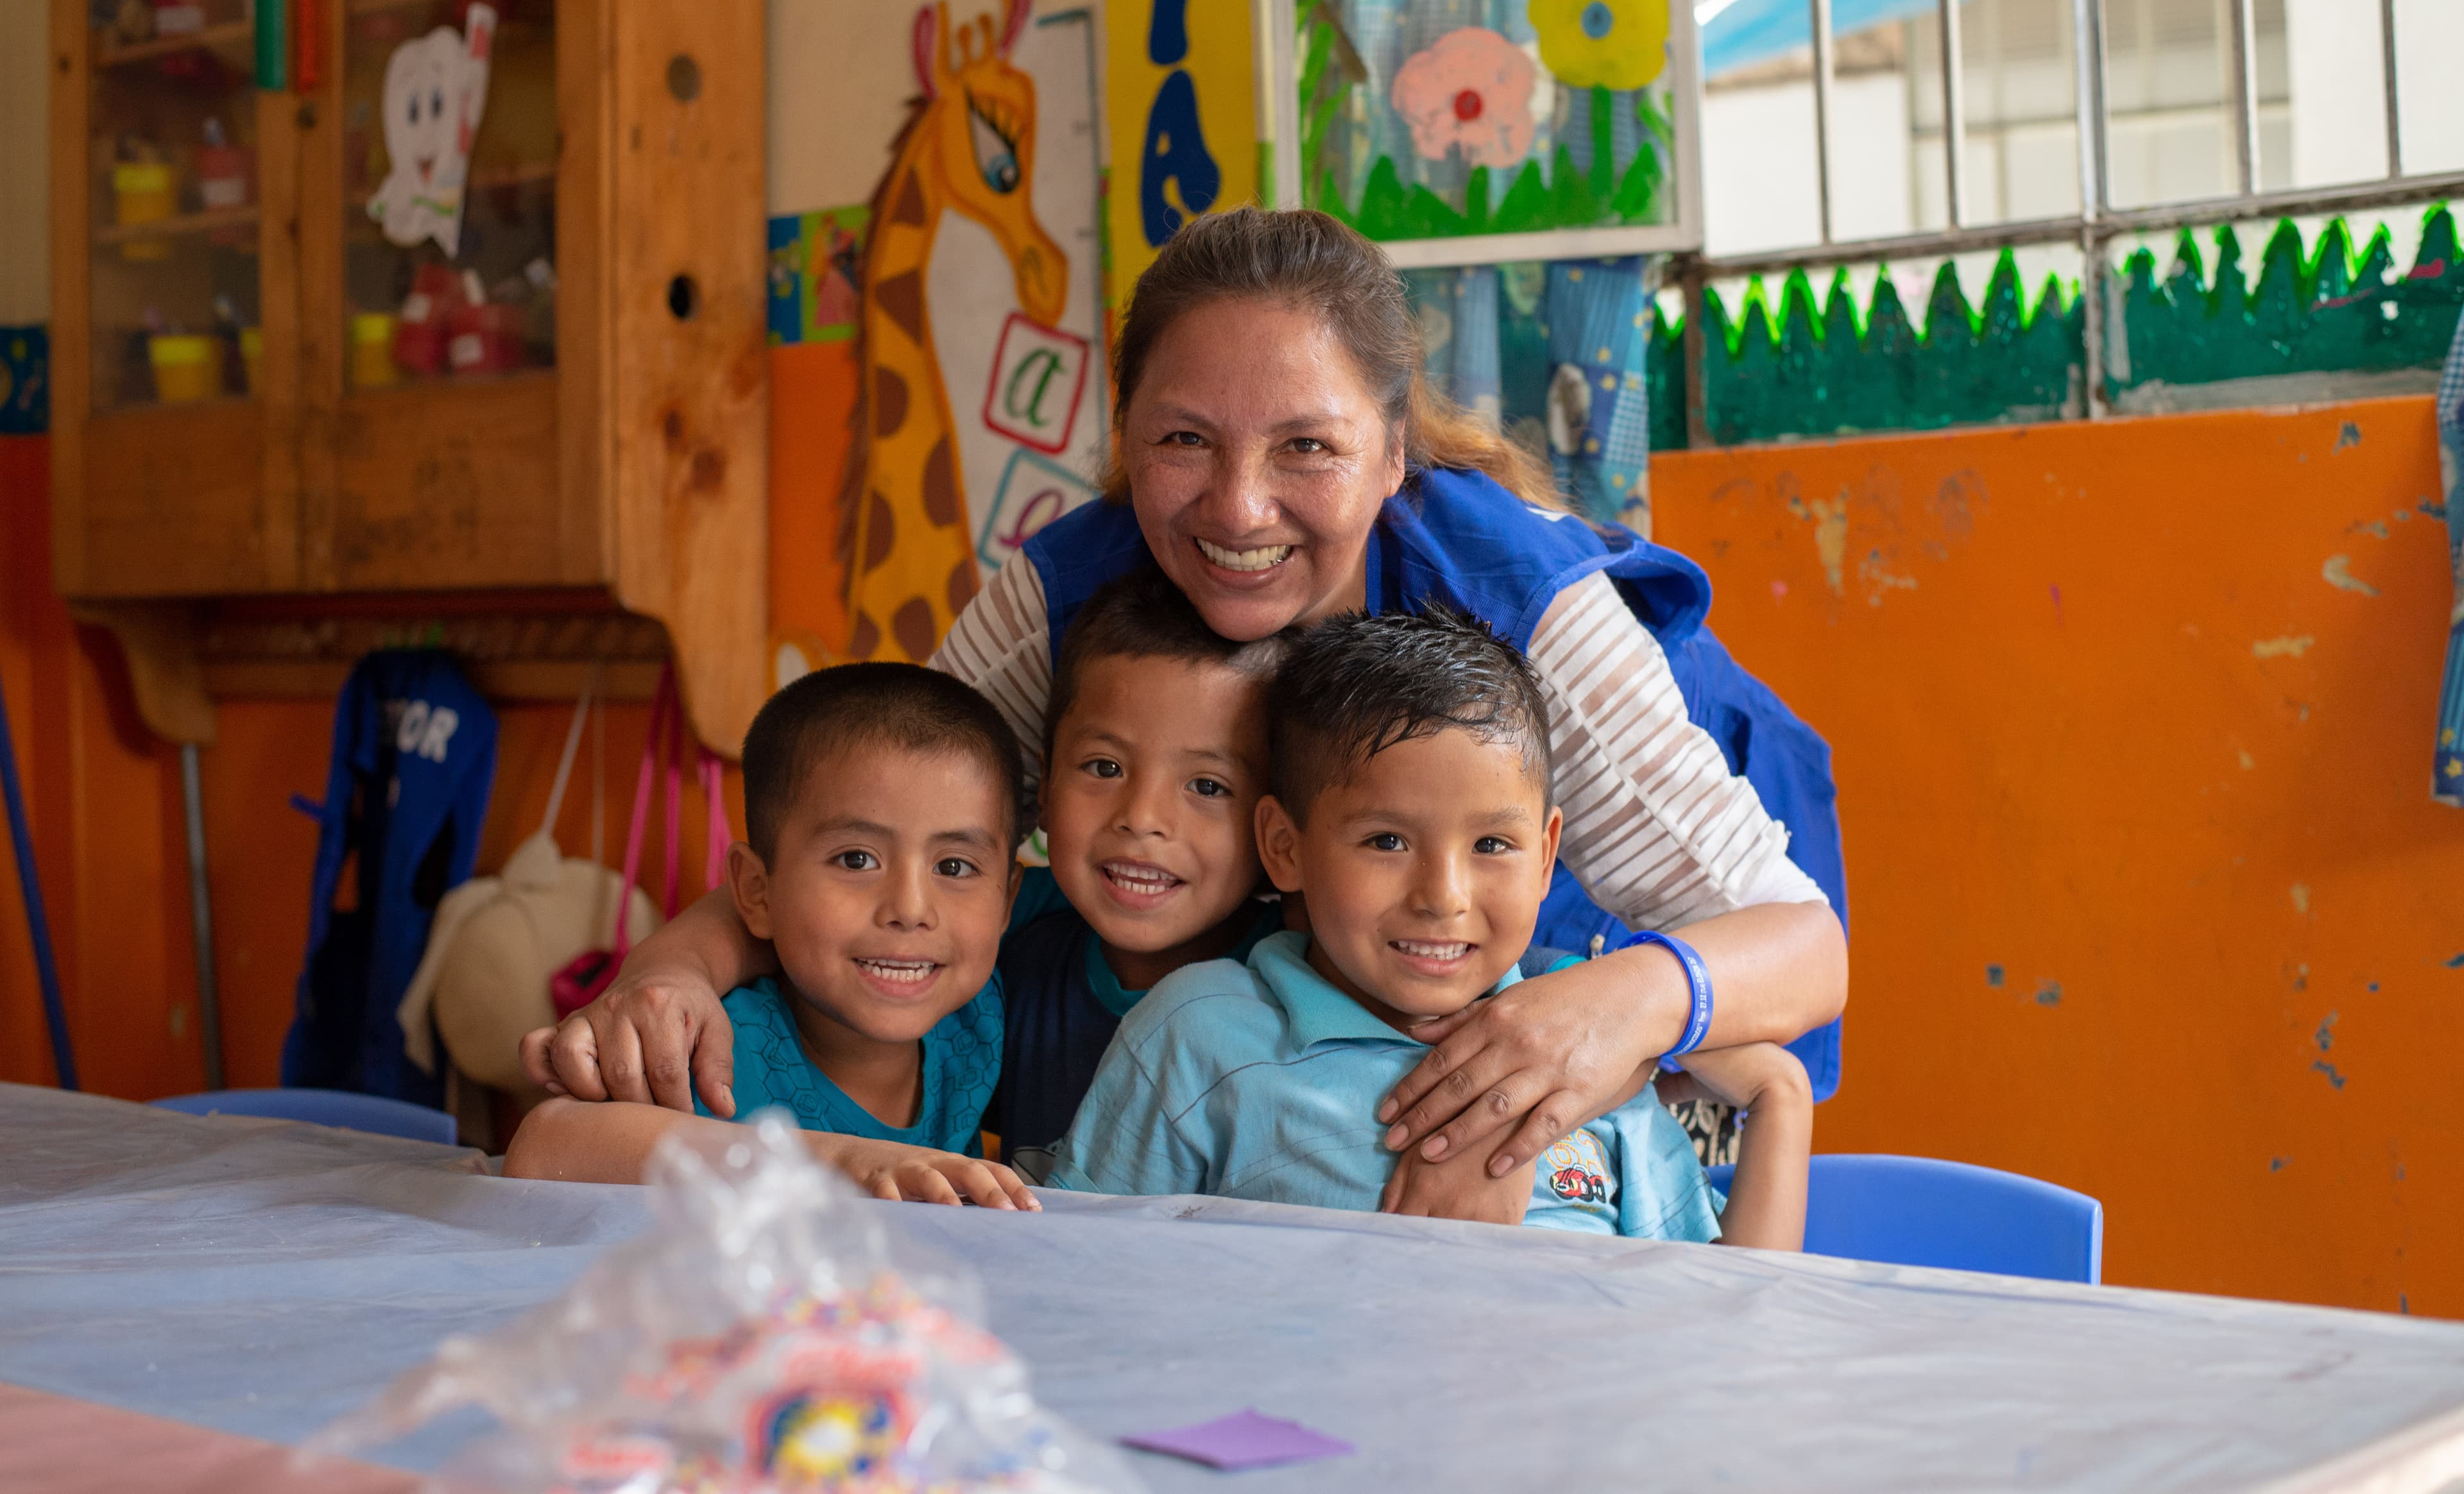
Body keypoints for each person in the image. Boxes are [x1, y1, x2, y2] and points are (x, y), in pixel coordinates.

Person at [524, 207, 1847, 1218]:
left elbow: (1801, 947)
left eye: (1307, 449)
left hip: (1591, 1051)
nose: (1237, 509)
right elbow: (873, 823)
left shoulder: (1520, 604)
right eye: (1183, 441)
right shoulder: (1070, 595)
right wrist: (674, 972)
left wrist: (1575, 1041)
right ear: (1122, 437)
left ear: (1394, 456)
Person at [1045, 607, 1810, 1246]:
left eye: (1492, 845)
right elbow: (1088, 1286)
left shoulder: (1588, 1049)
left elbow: (1732, 1328)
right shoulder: (1199, 1037)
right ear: (1286, 847)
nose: (1443, 896)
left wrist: (1780, 1094)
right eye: (1386, 841)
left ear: (1546, 856)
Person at [502, 665, 1038, 1211]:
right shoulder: (714, 1049)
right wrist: (841, 1162)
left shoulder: (978, 1018)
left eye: (954, 865)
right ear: (757, 891)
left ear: (1007, 901)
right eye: (857, 859)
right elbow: (545, 1144)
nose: (910, 909)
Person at [988, 566, 1287, 1157]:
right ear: (1044, 786)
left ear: (1278, 832)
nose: (1142, 817)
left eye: (1207, 785)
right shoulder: (1000, 928)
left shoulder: (1306, 978)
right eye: (1105, 768)